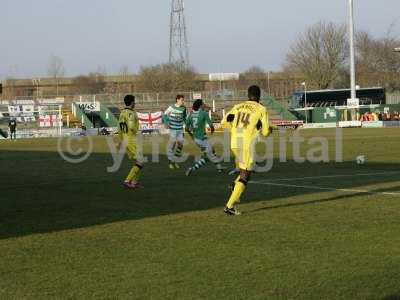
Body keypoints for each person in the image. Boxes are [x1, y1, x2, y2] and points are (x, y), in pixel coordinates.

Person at [221, 85, 272, 216]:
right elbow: (265, 132)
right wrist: (266, 129)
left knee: (244, 171)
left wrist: (233, 127)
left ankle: (235, 186)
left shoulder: (237, 106)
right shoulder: (261, 109)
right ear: (259, 96)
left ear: (248, 95)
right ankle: (229, 206)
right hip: (246, 143)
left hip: (234, 142)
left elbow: (224, 122)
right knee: (246, 174)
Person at [185, 99, 224, 176]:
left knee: (212, 151)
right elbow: (211, 125)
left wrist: (191, 135)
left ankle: (219, 168)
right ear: (200, 106)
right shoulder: (204, 113)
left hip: (196, 139)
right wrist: (212, 130)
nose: (204, 105)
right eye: (203, 104)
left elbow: (186, 128)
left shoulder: (191, 114)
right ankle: (192, 169)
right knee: (209, 156)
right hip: (202, 139)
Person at [118, 95, 144, 189]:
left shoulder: (122, 113)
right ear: (132, 102)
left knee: (138, 161)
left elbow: (119, 128)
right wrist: (135, 129)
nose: (135, 103)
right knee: (140, 161)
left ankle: (134, 182)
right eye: (134, 101)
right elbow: (132, 126)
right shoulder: (131, 113)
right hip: (131, 139)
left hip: (125, 139)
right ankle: (127, 181)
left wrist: (120, 140)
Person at [163, 95, 187, 169]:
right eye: (181, 100)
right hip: (173, 129)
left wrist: (187, 125)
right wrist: (166, 123)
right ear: (177, 100)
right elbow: (164, 114)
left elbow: (184, 117)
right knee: (172, 144)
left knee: (180, 145)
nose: (183, 101)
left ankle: (175, 160)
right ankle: (170, 161)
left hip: (180, 129)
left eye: (183, 100)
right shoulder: (171, 107)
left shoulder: (184, 108)